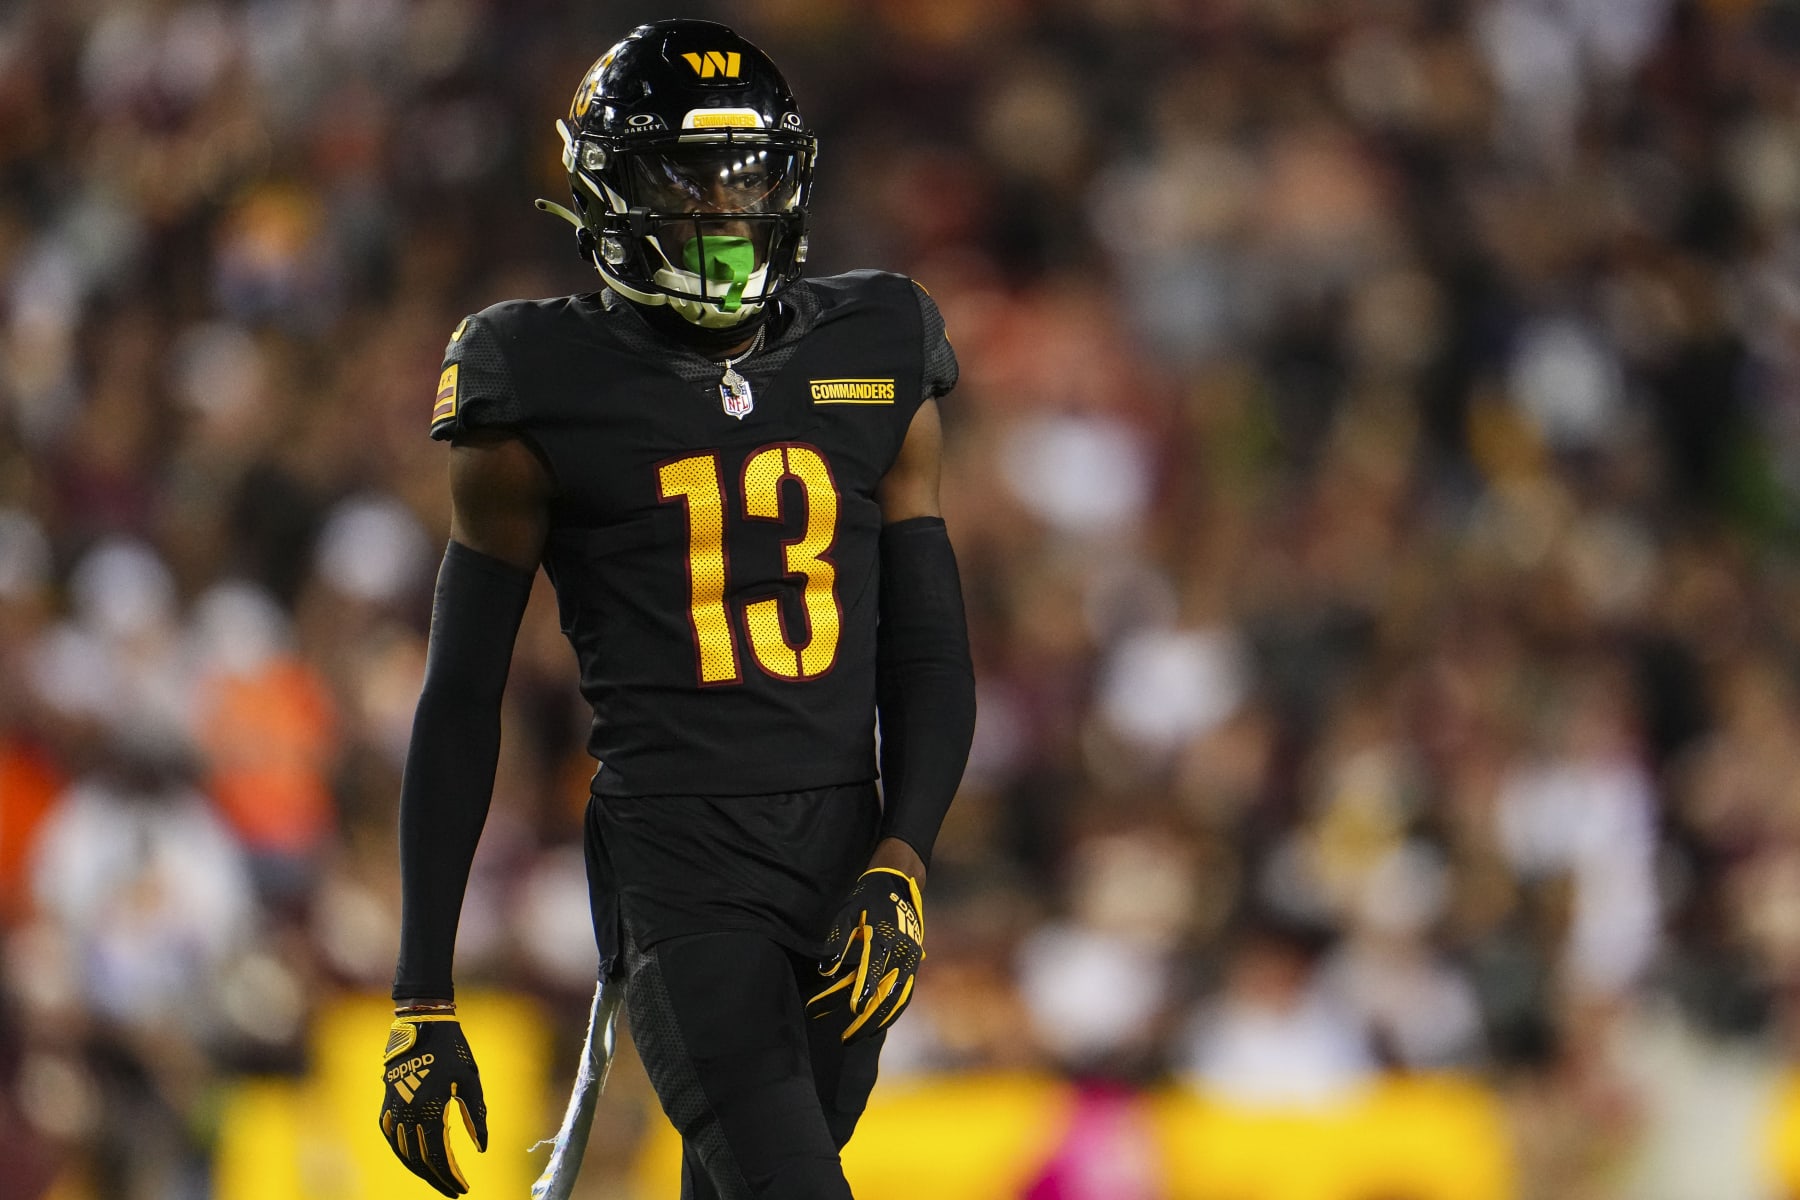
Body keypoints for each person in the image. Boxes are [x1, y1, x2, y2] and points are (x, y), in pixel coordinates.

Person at [376, 19, 976, 1200]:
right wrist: (421, 992)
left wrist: (903, 855)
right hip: (681, 870)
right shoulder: (532, 379)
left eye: (742, 174)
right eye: (680, 175)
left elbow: (929, 648)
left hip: (844, 859)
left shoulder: (880, 343)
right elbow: (460, 697)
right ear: (607, 190)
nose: (718, 207)